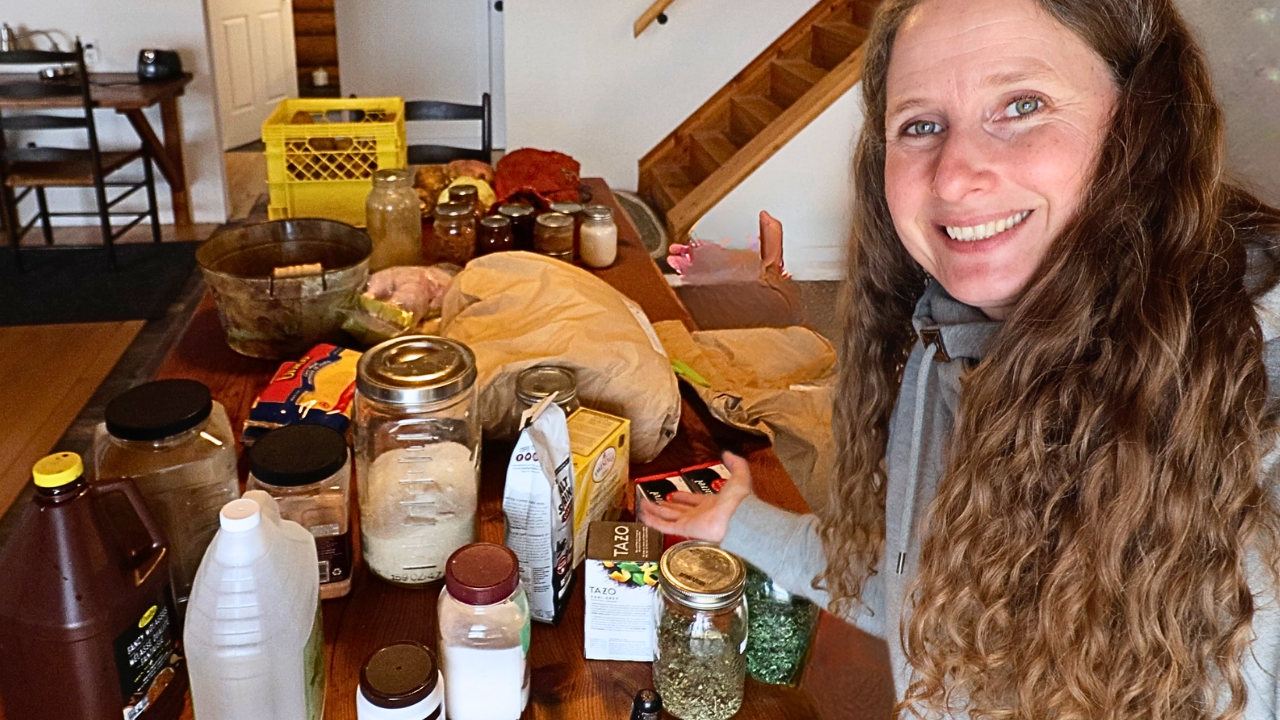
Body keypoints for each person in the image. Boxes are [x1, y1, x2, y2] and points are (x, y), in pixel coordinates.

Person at [638, 0, 1280, 717]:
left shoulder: (1254, 401)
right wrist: (741, 520)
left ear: (1145, 119)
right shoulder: (945, 337)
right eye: (921, 125)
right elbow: (928, 599)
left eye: (1022, 105)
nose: (953, 177)